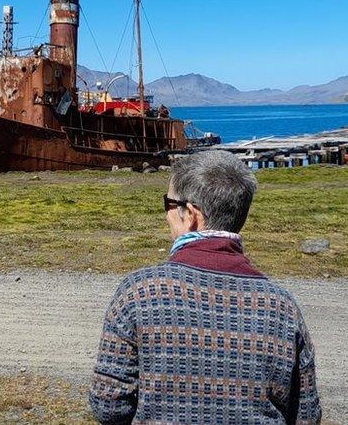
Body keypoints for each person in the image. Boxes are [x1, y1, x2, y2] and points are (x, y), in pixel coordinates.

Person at [89, 151, 321, 424]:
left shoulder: (138, 292)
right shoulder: (282, 306)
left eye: (168, 203)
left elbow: (108, 404)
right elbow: (306, 414)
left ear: (190, 215)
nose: (166, 215)